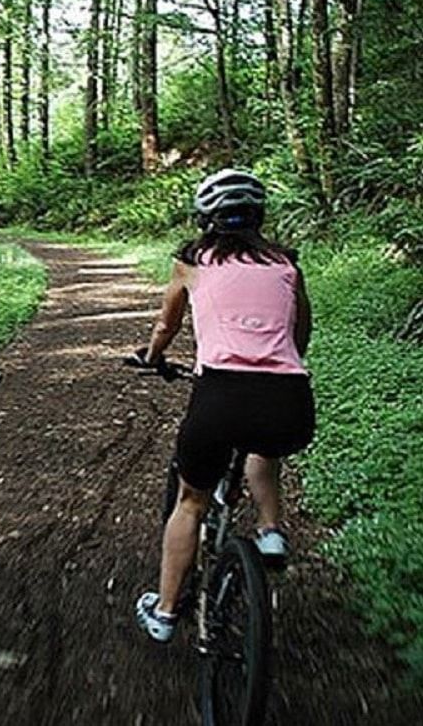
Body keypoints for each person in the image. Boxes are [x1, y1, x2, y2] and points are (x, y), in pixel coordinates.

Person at [130, 169, 316, 643]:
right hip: (289, 400)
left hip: (220, 396)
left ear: (205, 218)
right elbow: (300, 334)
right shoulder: (287, 265)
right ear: (259, 216)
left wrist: (153, 358)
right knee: (263, 449)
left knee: (190, 501)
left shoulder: (191, 261)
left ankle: (166, 613)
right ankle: (271, 530)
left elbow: (165, 326)